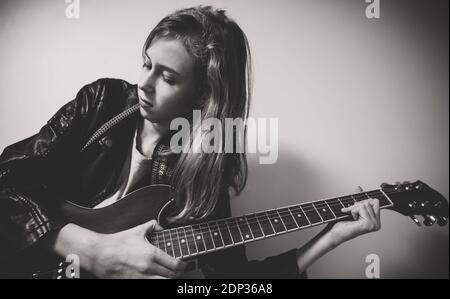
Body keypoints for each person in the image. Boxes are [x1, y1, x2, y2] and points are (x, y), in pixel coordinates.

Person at [0, 6, 380, 279]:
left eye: (166, 77)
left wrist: (328, 240)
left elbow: (232, 281)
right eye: (145, 64)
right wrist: (93, 250)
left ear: (202, 96)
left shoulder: (204, 167)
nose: (143, 84)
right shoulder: (102, 102)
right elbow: (8, 181)